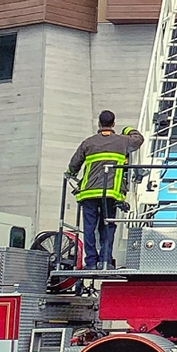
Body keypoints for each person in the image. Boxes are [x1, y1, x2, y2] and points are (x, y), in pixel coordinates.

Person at [66, 111, 144, 270]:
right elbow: (139, 139)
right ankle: (105, 261)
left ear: (99, 124)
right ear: (113, 124)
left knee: (89, 228)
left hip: (88, 193)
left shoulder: (88, 143)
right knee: (107, 227)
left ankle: (90, 262)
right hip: (110, 193)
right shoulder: (123, 141)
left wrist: (70, 174)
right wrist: (127, 129)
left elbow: (74, 164)